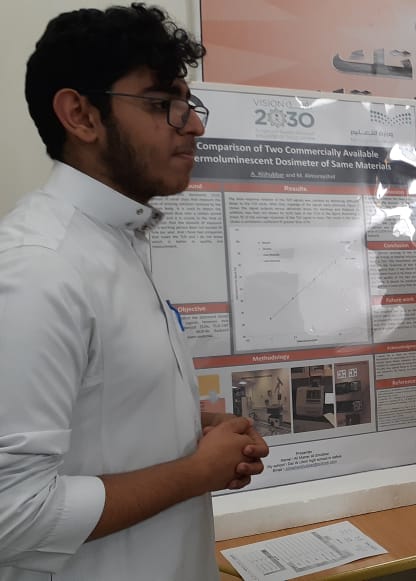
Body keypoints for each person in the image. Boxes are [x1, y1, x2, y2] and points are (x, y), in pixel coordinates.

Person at [0, 5, 269, 580]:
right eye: (161, 103)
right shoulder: (37, 268)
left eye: (188, 104)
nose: (193, 126)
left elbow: (94, 413)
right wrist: (196, 471)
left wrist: (184, 429)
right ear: (81, 115)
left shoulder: (116, 242)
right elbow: (12, 515)